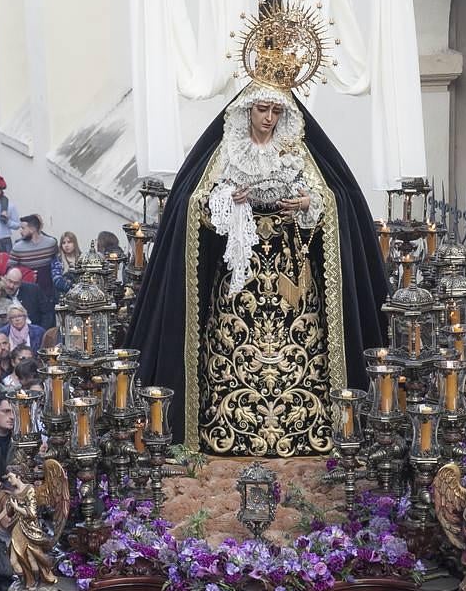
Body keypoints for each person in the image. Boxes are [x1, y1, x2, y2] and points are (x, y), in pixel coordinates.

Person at [127, 50, 388, 452]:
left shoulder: (296, 151)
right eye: (261, 109)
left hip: (291, 281)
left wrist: (305, 205)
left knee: (301, 352)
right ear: (247, 110)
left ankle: (305, 430)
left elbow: (334, 200)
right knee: (230, 350)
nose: (268, 118)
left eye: (274, 111)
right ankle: (227, 430)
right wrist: (229, 203)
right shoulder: (227, 150)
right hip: (239, 279)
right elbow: (193, 205)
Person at [10, 214, 57, 298]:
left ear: (32, 229)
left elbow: (56, 263)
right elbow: (11, 269)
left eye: (23, 228)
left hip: (48, 290)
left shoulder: (51, 243)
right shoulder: (17, 247)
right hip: (27, 291)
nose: (21, 231)